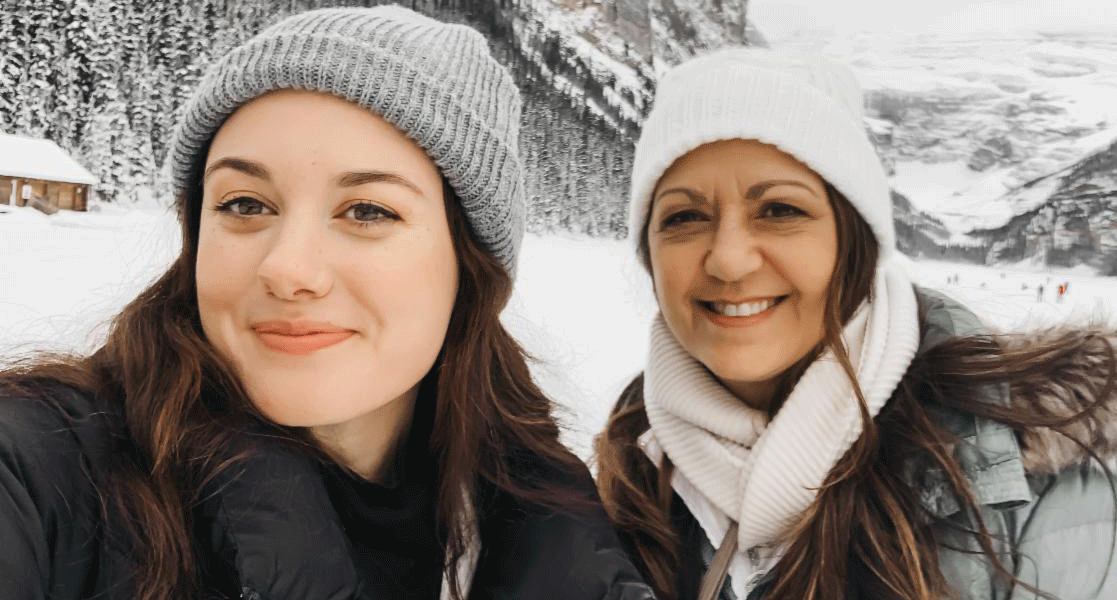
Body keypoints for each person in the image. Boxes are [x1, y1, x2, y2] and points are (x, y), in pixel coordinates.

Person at [0, 7, 652, 600]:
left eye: (367, 210)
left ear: (467, 266)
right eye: (244, 205)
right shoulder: (43, 468)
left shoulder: (553, 522)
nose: (288, 270)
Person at [594, 48, 1117, 600]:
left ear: (854, 240)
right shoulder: (624, 473)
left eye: (780, 210)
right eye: (682, 217)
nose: (728, 258)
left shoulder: (1041, 494)